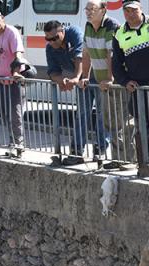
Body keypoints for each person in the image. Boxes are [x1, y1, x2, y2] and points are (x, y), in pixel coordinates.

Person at [109, 0, 149, 173]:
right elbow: (116, 65)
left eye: (134, 10)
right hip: (139, 89)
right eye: (126, 11)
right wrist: (125, 81)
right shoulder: (119, 34)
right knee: (143, 126)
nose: (130, 14)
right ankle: (145, 163)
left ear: (141, 9)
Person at [0, 8, 29, 156]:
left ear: (2, 18)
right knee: (4, 113)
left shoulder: (12, 32)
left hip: (14, 79)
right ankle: (12, 142)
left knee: (15, 113)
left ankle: (19, 144)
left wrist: (15, 72)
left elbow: (18, 53)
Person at [44, 20, 88, 164]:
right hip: (79, 79)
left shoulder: (74, 33)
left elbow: (79, 56)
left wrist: (76, 77)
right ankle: (76, 153)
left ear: (62, 32)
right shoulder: (50, 48)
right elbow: (53, 72)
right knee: (82, 114)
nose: (52, 42)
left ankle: (100, 155)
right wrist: (61, 80)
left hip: (94, 74)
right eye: (48, 39)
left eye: (55, 38)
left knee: (102, 116)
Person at [80, 0, 119, 159]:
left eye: (92, 9)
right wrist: (85, 76)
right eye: (86, 9)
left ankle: (102, 151)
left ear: (103, 9)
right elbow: (86, 53)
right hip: (96, 76)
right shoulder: (88, 25)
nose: (88, 12)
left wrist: (110, 78)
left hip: (111, 78)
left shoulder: (111, 25)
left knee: (106, 117)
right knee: (87, 113)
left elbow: (111, 54)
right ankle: (86, 150)